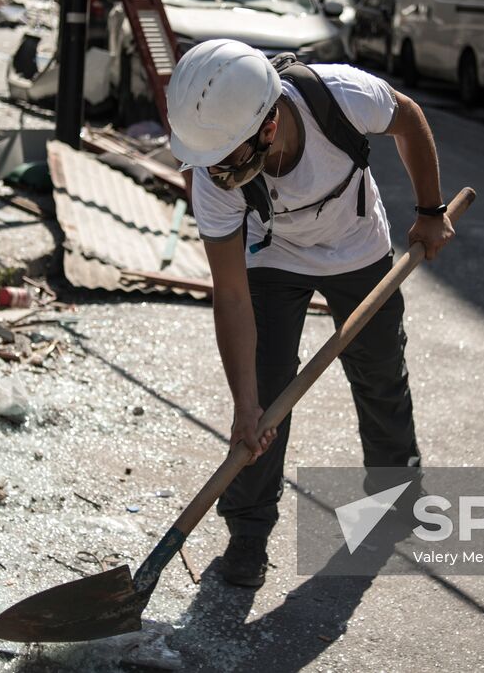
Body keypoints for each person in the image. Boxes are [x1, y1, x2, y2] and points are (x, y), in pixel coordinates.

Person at [165, 39, 456, 588]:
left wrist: (429, 211)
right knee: (267, 396)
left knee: (378, 371)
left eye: (226, 158)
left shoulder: (340, 97)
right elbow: (229, 295)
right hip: (273, 252)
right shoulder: (212, 175)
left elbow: (409, 119)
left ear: (268, 126)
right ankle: (247, 536)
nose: (215, 172)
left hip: (356, 242)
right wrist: (244, 405)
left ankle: (396, 492)